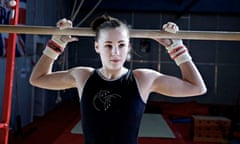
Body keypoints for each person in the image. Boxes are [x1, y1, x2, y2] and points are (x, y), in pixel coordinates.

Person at [29, 15, 207, 144]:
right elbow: (37, 79)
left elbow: (197, 88)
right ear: (97, 46)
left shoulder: (143, 78)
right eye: (108, 45)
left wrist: (176, 47)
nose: (115, 52)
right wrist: (55, 45)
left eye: (121, 45)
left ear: (128, 47)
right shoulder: (83, 76)